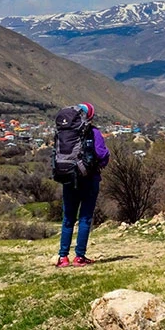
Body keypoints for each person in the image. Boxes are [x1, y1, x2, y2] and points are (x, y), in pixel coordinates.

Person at [56, 102, 110, 267]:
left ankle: (63, 257)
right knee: (85, 218)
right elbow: (102, 154)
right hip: (89, 179)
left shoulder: (62, 133)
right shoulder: (94, 133)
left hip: (68, 178)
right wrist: (101, 163)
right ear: (90, 116)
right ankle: (80, 256)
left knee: (68, 219)